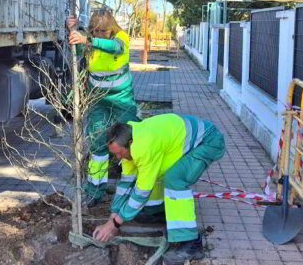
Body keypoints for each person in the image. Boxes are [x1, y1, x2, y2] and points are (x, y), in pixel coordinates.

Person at [92, 113, 226, 265]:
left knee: (175, 179)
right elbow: (126, 183)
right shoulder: (129, 139)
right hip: (188, 138)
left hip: (208, 142)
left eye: (119, 153)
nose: (117, 158)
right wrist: (112, 217)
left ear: (129, 144)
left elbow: (142, 191)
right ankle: (158, 211)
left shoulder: (145, 147)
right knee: (156, 173)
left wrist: (115, 225)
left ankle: (192, 243)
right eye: (114, 154)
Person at [66, 10, 139, 206]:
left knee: (129, 142)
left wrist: (88, 40)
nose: (99, 35)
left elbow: (114, 48)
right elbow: (79, 50)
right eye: (95, 31)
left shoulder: (120, 37)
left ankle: (131, 190)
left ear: (111, 28)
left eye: (103, 31)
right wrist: (72, 30)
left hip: (122, 100)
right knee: (98, 143)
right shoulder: (89, 40)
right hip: (98, 99)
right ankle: (95, 191)